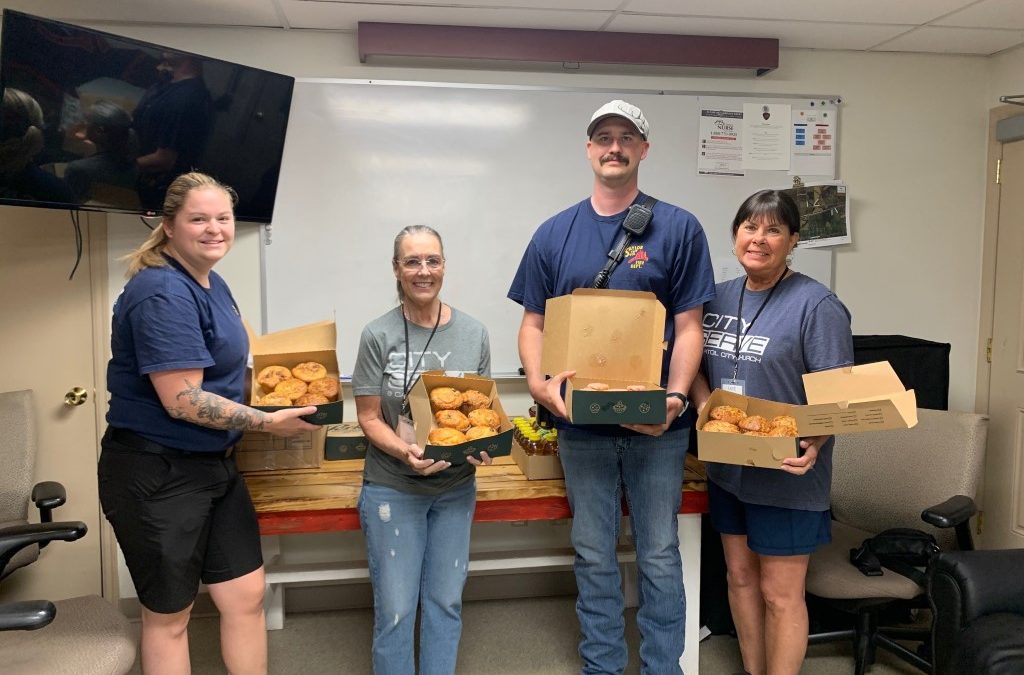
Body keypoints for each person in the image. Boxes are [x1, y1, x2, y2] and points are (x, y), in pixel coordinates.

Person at [508, 100, 716, 674]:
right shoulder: (555, 233)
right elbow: (533, 325)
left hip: (658, 428)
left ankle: (661, 668)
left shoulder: (678, 228)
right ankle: (601, 666)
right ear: (589, 149)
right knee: (594, 553)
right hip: (581, 427)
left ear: (644, 150)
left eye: (627, 137)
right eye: (604, 137)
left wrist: (675, 400)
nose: (615, 146)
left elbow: (689, 325)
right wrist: (538, 382)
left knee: (658, 554)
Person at [98, 171, 318, 675]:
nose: (214, 229)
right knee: (170, 616)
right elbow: (184, 401)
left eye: (223, 217)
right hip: (157, 471)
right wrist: (268, 422)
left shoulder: (213, 282)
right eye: (198, 218)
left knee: (245, 594)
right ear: (168, 226)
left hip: (215, 465)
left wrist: (289, 396)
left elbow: (237, 371)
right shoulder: (161, 291)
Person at [689, 189, 854, 675]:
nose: (759, 239)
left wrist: (815, 445)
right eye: (750, 227)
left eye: (773, 230)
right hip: (727, 470)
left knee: (779, 594)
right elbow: (695, 367)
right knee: (739, 580)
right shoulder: (716, 296)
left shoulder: (816, 305)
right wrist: (706, 407)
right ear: (735, 234)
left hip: (787, 472)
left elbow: (837, 397)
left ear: (793, 241)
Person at [352, 225, 493, 675]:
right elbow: (369, 417)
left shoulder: (474, 333)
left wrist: (481, 447)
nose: (423, 271)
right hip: (393, 488)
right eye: (412, 261)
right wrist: (403, 451)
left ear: (444, 266)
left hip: (455, 488)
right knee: (396, 611)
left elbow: (481, 413)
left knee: (445, 601)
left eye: (432, 260)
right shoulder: (378, 335)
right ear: (396, 269)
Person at [133, 51, 213, 209]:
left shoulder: (186, 99)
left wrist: (123, 166)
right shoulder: (169, 83)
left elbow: (164, 160)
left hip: (151, 188)